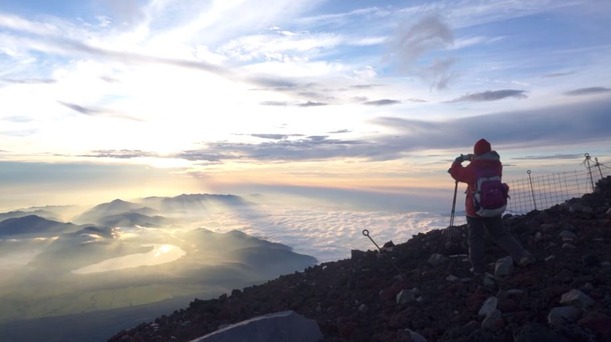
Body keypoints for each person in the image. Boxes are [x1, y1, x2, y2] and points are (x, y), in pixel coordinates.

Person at [449, 138, 534, 275]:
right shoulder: (497, 165)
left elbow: (456, 173)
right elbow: (483, 167)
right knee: (500, 234)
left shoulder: (472, 168)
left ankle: (478, 269)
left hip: (475, 210)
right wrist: (474, 159)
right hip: (495, 205)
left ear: (476, 153)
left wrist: (458, 160)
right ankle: (521, 256)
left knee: (476, 238)